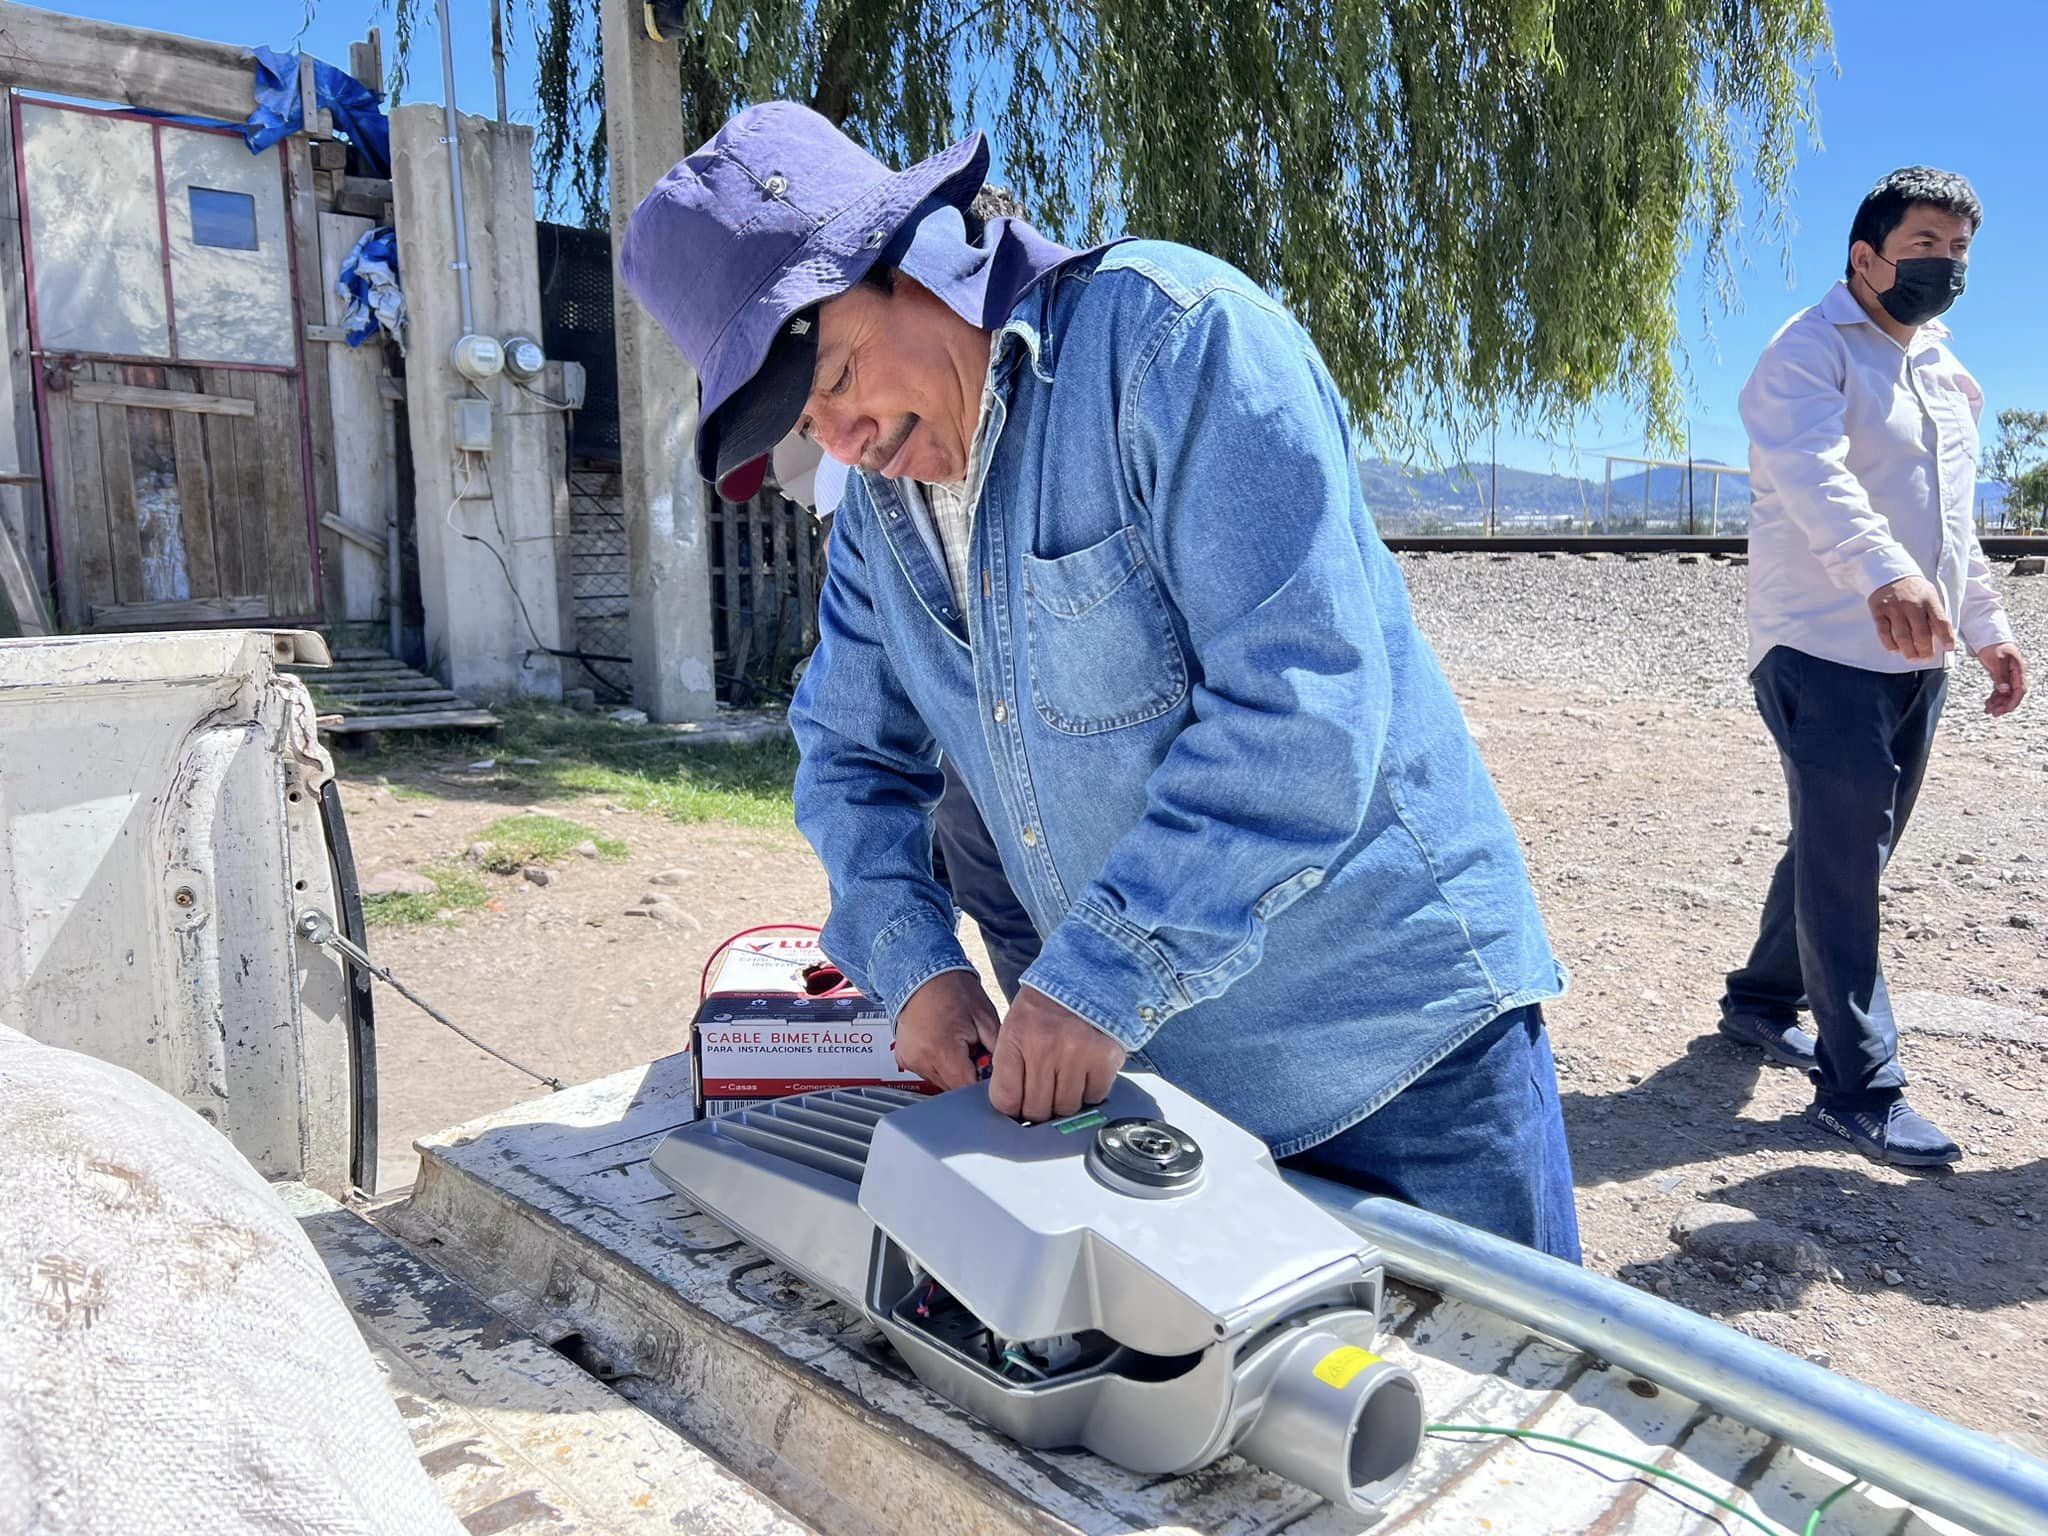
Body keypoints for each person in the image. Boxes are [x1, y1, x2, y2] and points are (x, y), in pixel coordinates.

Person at [622, 103, 1578, 1258]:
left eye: (833, 376)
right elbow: (847, 756)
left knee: (1498, 1424)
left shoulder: (1175, 345)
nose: (839, 439)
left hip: (1392, 1058)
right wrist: (911, 960)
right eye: (799, 422)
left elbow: (1301, 710)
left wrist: (1099, 979)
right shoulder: (881, 514)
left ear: (915, 257)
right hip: (1161, 1091)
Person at [1718, 167, 2028, 1167]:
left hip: (1916, 657)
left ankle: (1760, 1000)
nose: (1944, 267)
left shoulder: (1943, 374)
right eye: (1925, 246)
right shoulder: (1805, 353)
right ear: (1864, 256)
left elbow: (1952, 531)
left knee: (1853, 842)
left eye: (1957, 253)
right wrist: (1880, 573)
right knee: (1847, 861)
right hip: (1818, 646)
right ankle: (1860, 1089)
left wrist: (1987, 628)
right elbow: (1808, 474)